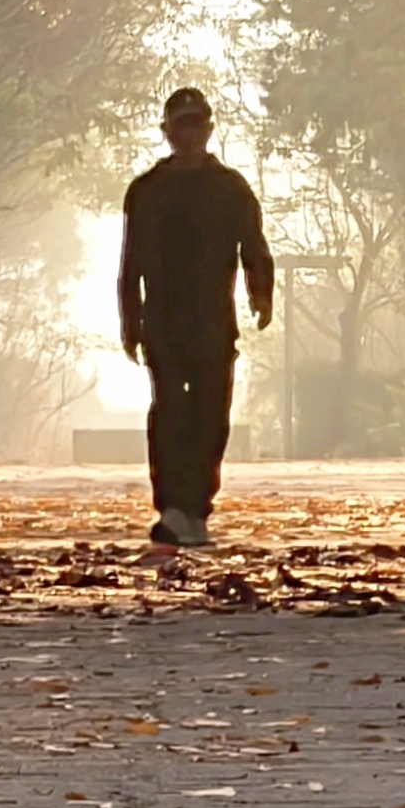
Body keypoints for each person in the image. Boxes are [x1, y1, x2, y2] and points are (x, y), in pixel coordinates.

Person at [116, 87, 273, 550]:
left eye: (195, 125)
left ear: (208, 129)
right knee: (169, 415)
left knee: (210, 417)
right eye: (179, 126)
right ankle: (171, 507)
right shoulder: (146, 191)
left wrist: (260, 294)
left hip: (213, 322)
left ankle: (197, 508)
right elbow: (131, 263)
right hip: (163, 323)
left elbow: (254, 246)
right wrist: (131, 320)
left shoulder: (231, 188)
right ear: (166, 131)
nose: (187, 135)